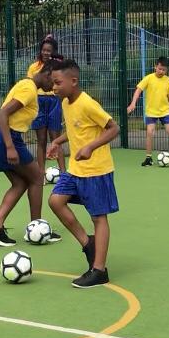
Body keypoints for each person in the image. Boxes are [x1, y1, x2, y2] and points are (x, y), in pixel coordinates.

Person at [47, 59, 120, 288]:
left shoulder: (87, 103)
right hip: (75, 170)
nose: (54, 87)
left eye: (58, 83)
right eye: (53, 83)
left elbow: (114, 128)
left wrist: (90, 147)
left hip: (96, 171)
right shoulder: (67, 103)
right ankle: (88, 243)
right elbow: (75, 129)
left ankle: (99, 270)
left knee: (98, 217)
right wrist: (57, 141)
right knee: (56, 201)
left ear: (73, 81)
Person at [0, 59, 63, 247]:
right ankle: (37, 227)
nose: (53, 87)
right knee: (36, 177)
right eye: (54, 81)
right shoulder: (29, 88)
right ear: (47, 73)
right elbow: (3, 114)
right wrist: (10, 146)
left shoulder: (26, 85)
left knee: (20, 183)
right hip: (4, 137)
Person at [127, 57, 169, 167]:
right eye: (160, 69)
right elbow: (138, 90)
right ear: (155, 66)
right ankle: (148, 158)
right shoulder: (148, 78)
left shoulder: (168, 80)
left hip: (165, 111)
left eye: (164, 70)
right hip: (151, 112)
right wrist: (133, 103)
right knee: (150, 132)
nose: (161, 71)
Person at [28, 35, 66, 174]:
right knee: (41, 139)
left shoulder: (58, 67)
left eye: (48, 50)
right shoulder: (34, 67)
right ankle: (40, 174)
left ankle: (63, 173)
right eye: (43, 50)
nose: (45, 53)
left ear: (53, 51)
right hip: (38, 102)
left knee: (55, 138)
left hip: (54, 102)